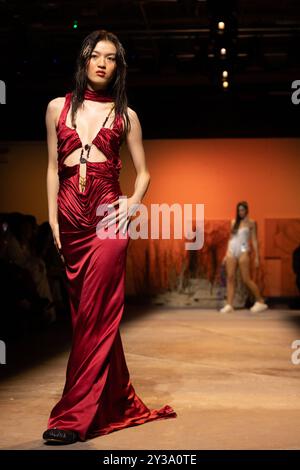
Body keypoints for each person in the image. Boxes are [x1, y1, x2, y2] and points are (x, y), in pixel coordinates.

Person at [43, 29, 177, 444]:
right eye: (95, 55)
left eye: (111, 58)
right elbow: (52, 167)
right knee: (87, 317)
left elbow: (146, 171)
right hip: (69, 220)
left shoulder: (126, 115)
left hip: (108, 217)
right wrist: (51, 220)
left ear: (118, 66)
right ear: (83, 60)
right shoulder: (55, 108)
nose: (102, 63)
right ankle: (115, 400)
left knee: (98, 318)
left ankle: (72, 416)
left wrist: (134, 200)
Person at [219, 201, 269, 314]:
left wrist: (257, 256)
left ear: (246, 210)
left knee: (246, 278)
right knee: (230, 277)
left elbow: (254, 240)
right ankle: (229, 305)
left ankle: (260, 301)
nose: (240, 212)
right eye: (239, 210)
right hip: (232, 249)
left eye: (242, 209)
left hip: (243, 248)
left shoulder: (251, 223)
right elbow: (231, 238)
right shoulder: (233, 222)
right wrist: (226, 254)